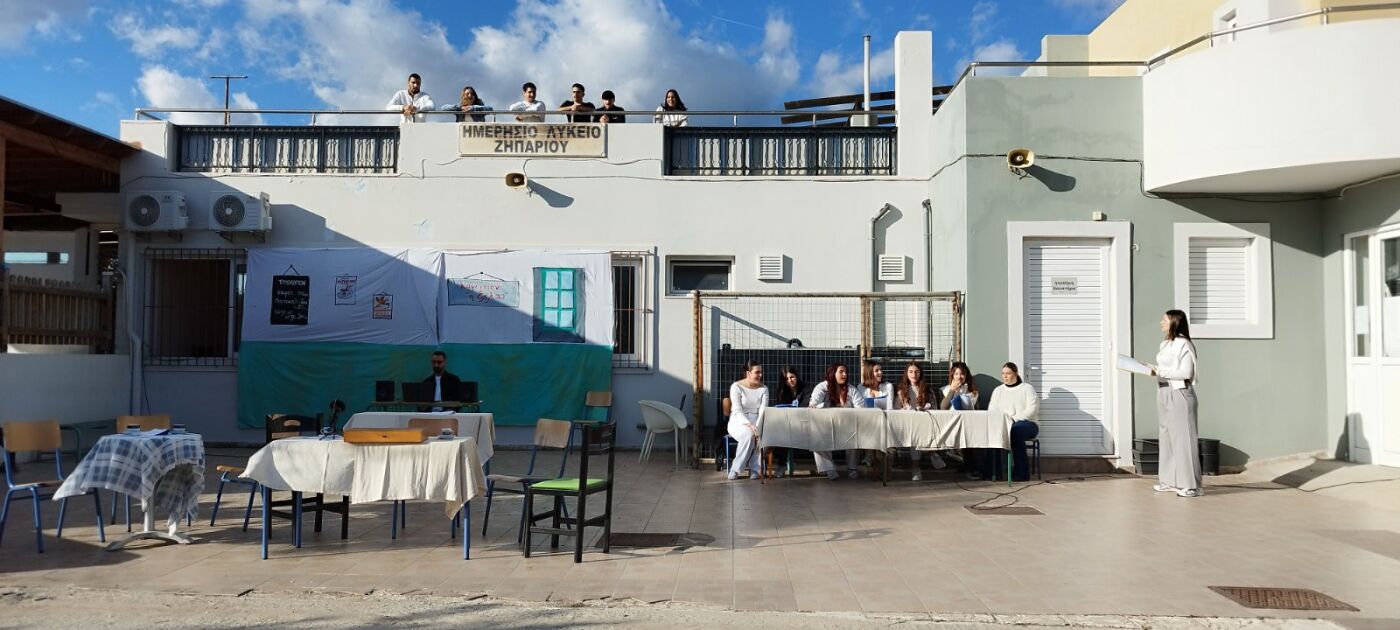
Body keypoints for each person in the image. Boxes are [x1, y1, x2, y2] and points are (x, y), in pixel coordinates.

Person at [1150, 309, 1202, 498]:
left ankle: (1191, 486)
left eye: (1164, 320)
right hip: (1163, 391)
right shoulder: (1166, 343)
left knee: (1184, 439)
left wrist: (1160, 371)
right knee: (1167, 438)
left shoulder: (1184, 344)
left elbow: (1186, 373)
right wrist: (1154, 369)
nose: (1161, 322)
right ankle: (1169, 481)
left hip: (1179, 392)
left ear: (1174, 322)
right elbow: (1166, 368)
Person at [810, 362, 867, 480]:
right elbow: (815, 401)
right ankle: (829, 469)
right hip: (826, 426)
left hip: (848, 427)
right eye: (841, 372)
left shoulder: (851, 389)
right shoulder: (823, 387)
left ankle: (852, 468)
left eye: (846, 372)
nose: (844, 375)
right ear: (833, 373)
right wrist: (814, 404)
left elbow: (861, 407)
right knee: (816, 439)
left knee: (855, 435)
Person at [984, 362, 1040, 482]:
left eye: (1008, 373)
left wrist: (1013, 419)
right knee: (993, 432)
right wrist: (1003, 421)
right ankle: (993, 472)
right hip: (1004, 423)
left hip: (1028, 424)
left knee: (1016, 431)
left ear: (1015, 374)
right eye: (1003, 373)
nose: (1005, 376)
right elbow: (992, 410)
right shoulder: (998, 391)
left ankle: (1021, 474)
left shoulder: (1027, 388)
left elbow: (1032, 410)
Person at [897, 361, 946, 480]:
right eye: (911, 372)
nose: (914, 374)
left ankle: (931, 453)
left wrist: (926, 408)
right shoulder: (901, 391)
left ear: (921, 373)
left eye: (917, 372)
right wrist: (905, 409)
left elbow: (934, 408)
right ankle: (919, 464)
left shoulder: (928, 390)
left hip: (925, 422)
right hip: (908, 424)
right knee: (915, 435)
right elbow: (895, 409)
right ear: (906, 374)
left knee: (921, 431)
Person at [727, 361, 769, 480]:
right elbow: (737, 409)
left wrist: (758, 427)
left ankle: (755, 468)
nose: (760, 375)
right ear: (748, 373)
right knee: (748, 435)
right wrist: (749, 425)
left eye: (761, 372)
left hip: (757, 420)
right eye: (757, 372)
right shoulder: (736, 386)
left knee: (763, 435)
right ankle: (736, 469)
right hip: (738, 420)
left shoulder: (764, 389)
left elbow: (763, 410)